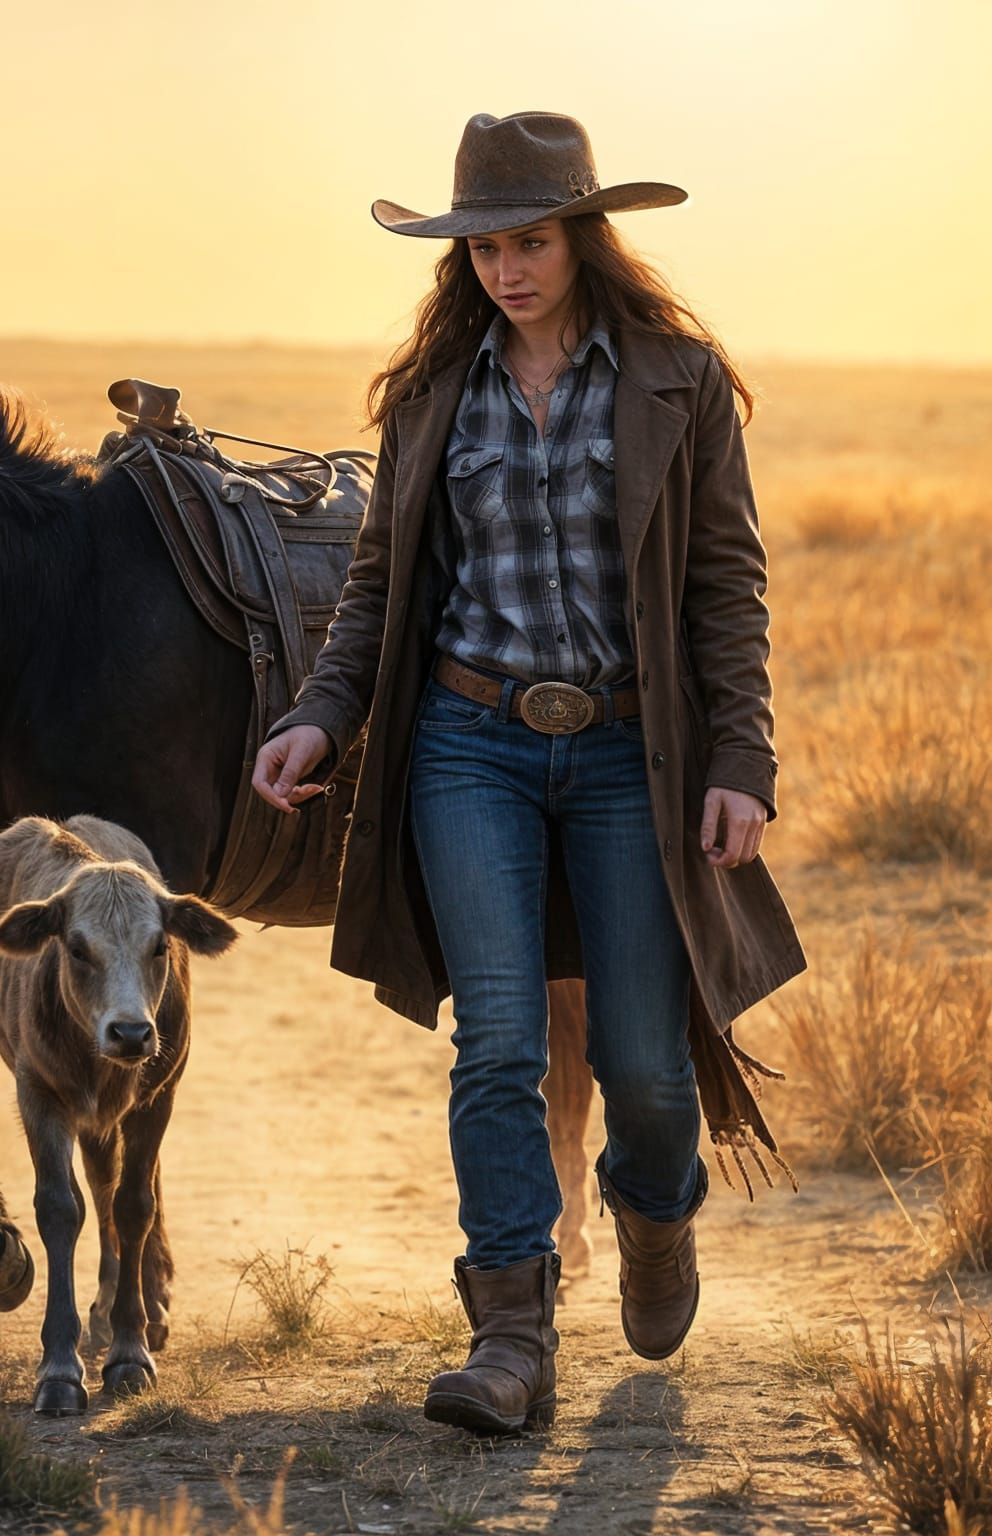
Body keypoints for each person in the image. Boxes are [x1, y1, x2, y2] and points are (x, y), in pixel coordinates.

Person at [250, 111, 805, 1437]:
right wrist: (321, 715)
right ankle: (511, 1335)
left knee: (646, 1064)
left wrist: (742, 757)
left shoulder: (676, 378)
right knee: (496, 1040)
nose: (510, 268)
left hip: (629, 753)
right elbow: (380, 583)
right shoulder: (434, 393)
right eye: (487, 246)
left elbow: (727, 583)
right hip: (469, 744)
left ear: (582, 237)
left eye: (533, 240)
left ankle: (657, 1219)